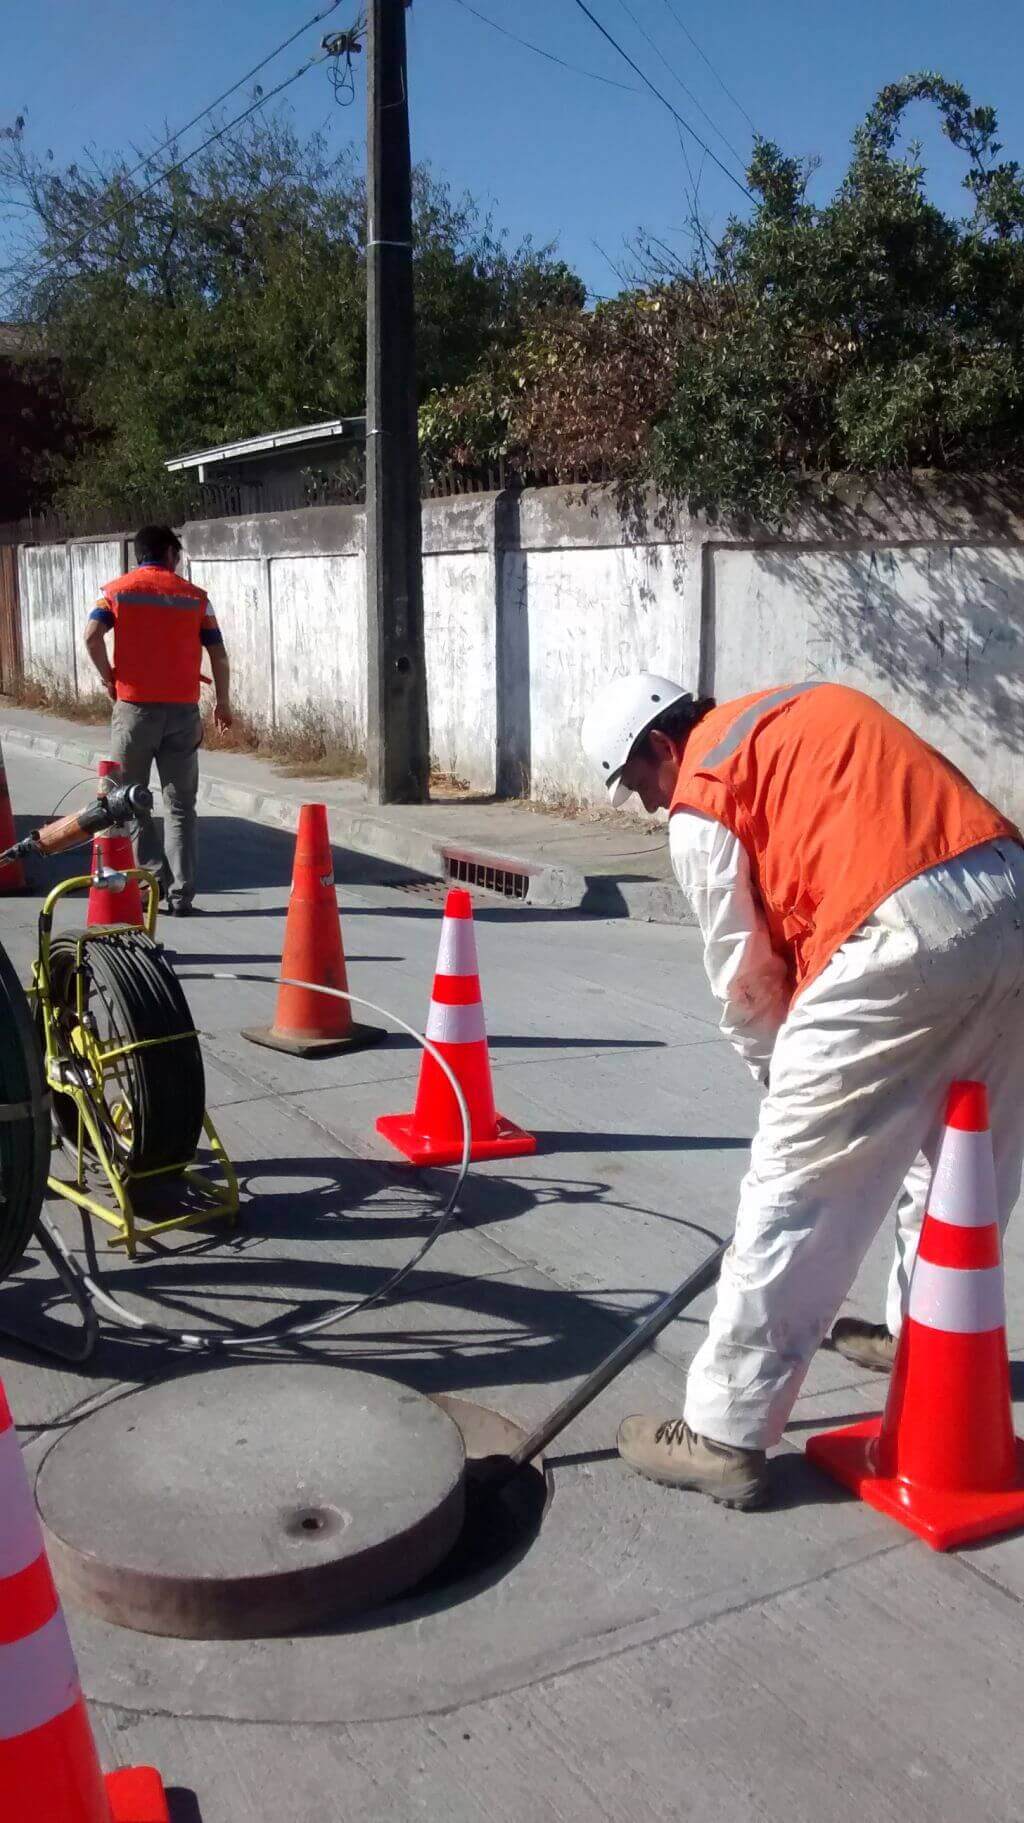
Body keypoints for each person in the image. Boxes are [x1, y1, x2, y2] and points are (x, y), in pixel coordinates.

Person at [580, 675, 1024, 1510]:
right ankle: (922, 1340)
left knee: (791, 1192)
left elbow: (746, 982)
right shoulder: (796, 705)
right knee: (966, 1164)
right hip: (1012, 893)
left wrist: (785, 1093)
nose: (647, 807)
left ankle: (724, 1432)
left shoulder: (704, 792)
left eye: (641, 783)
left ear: (663, 746)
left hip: (899, 930)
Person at [83, 524, 232, 915]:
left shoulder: (117, 592)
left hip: (134, 711)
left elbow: (91, 637)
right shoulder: (196, 598)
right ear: (168, 552)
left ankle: (151, 882)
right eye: (178, 553)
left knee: (129, 801)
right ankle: (182, 895)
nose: (179, 560)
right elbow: (218, 654)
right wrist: (224, 703)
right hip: (183, 713)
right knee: (181, 807)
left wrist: (108, 677)